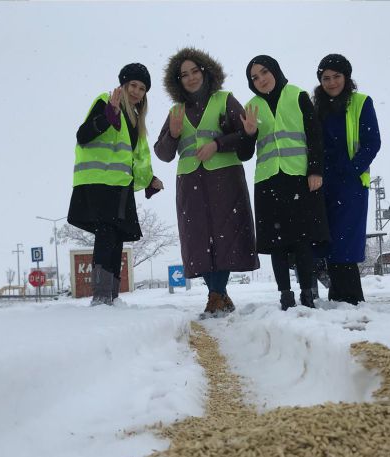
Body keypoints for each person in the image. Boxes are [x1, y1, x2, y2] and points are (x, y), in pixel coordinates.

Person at [154, 47, 259, 317]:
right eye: (184, 74)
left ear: (205, 71)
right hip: (190, 182)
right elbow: (163, 153)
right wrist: (173, 135)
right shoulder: (176, 110)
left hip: (225, 179)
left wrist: (218, 143)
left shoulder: (225, 99)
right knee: (198, 238)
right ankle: (219, 294)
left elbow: (244, 136)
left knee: (225, 235)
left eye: (194, 71)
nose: (190, 77)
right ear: (177, 81)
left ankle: (216, 294)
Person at [67, 63, 163, 306]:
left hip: (121, 185)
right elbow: (83, 135)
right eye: (133, 85)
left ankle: (112, 296)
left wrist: (149, 180)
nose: (137, 91)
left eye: (142, 88)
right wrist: (108, 115)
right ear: (123, 84)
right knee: (107, 233)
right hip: (100, 183)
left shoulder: (137, 120)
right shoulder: (106, 102)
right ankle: (100, 297)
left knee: (117, 236)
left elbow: (134, 157)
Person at [241, 55, 329, 310]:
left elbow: (315, 136)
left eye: (264, 72)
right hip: (268, 179)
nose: (260, 79)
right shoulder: (251, 106)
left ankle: (307, 293)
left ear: (275, 71)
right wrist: (247, 133)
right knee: (277, 241)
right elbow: (245, 153)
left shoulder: (297, 95)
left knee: (302, 239)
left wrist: (315, 170)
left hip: (298, 177)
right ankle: (285, 294)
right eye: (254, 77)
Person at [313, 54, 381, 305]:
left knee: (345, 242)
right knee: (327, 240)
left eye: (336, 77)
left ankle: (350, 298)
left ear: (346, 77)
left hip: (351, 184)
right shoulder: (316, 107)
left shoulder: (361, 102)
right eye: (325, 78)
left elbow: (372, 143)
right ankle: (337, 298)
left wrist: (351, 169)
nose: (331, 83)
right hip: (321, 183)